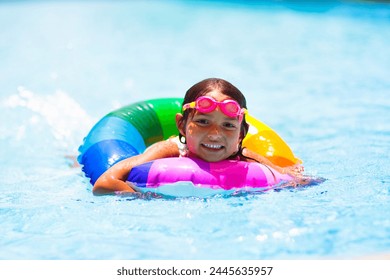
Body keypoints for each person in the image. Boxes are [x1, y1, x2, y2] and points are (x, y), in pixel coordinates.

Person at [93, 78, 303, 195]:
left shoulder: (245, 156)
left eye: (228, 125)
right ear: (182, 125)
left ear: (242, 134)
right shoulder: (168, 151)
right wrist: (145, 197)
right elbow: (105, 182)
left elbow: (291, 178)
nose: (215, 134)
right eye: (203, 122)